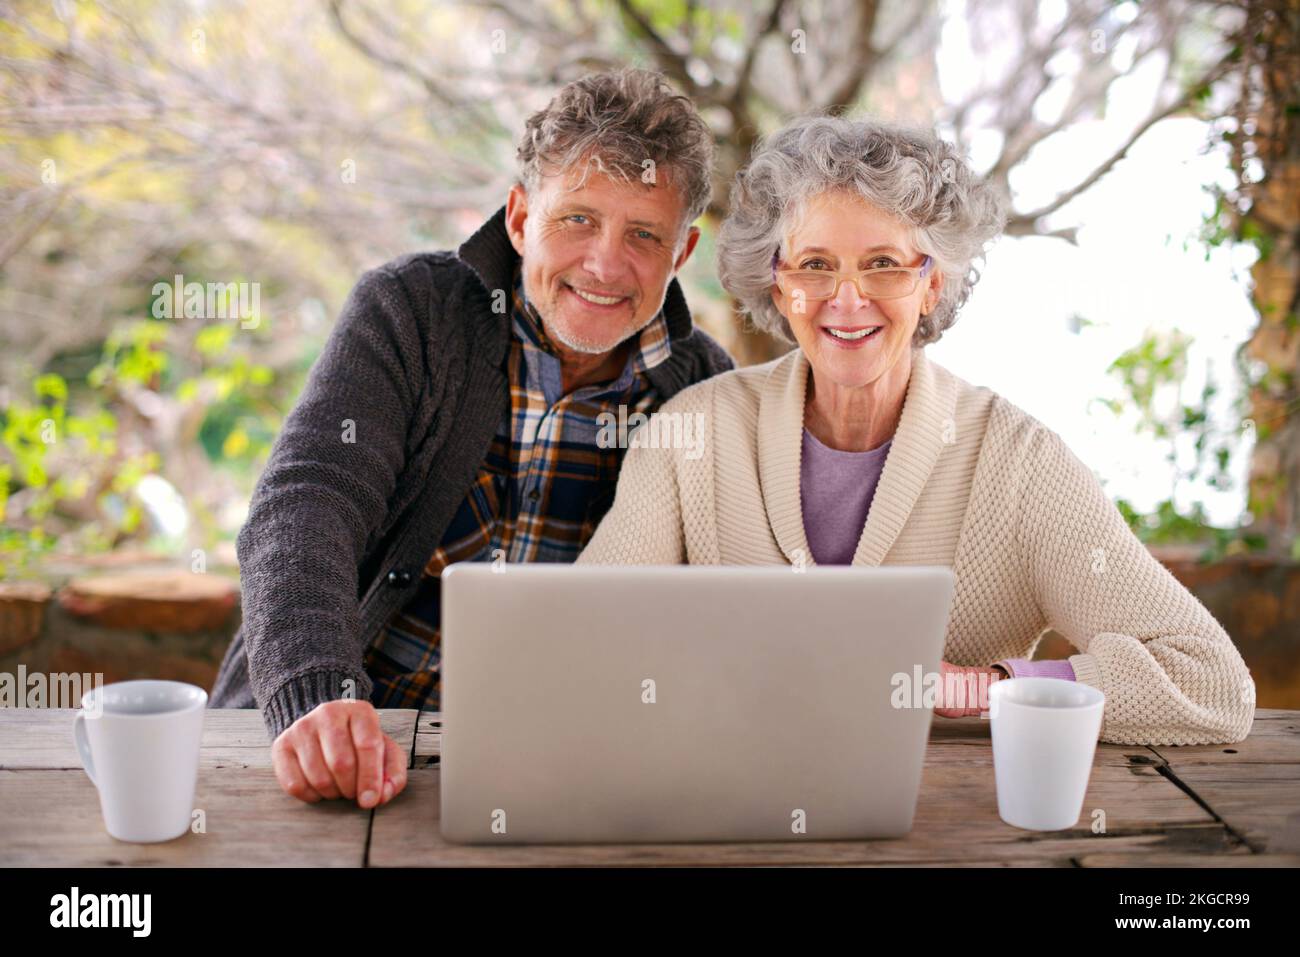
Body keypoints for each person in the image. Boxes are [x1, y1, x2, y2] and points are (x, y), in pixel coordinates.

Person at [577, 113, 1256, 745]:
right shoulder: (693, 433)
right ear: (779, 283)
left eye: (883, 264)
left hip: (950, 827)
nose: (848, 300)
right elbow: (583, 642)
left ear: (933, 283)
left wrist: (1001, 690)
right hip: (724, 813)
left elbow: (1210, 681)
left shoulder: (1017, 460)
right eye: (815, 265)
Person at [209, 68, 733, 807]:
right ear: (520, 219)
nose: (606, 263)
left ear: (681, 254)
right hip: (336, 737)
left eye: (644, 234)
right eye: (577, 219)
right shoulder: (412, 313)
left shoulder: (703, 392)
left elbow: (724, 612)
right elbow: (309, 498)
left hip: (543, 780)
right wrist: (316, 688)